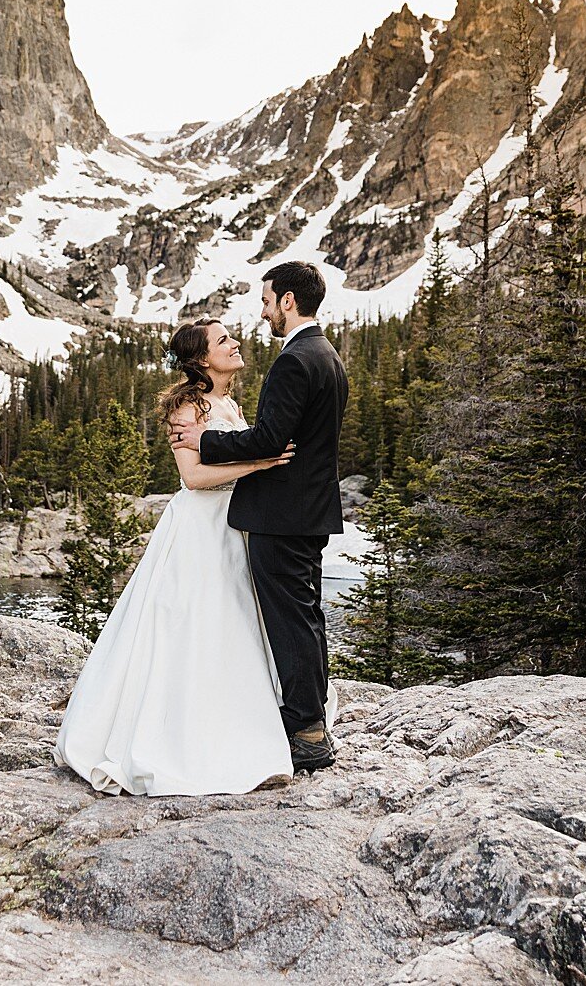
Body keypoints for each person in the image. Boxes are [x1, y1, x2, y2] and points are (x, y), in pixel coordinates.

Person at [54, 319, 297, 795]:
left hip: (236, 526)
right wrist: (261, 464)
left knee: (235, 626)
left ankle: (238, 722)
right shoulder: (188, 405)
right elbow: (194, 477)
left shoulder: (229, 402)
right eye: (223, 339)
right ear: (202, 358)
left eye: (232, 334)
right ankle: (177, 738)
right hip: (201, 528)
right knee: (192, 623)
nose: (235, 342)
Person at [171, 260, 349, 773]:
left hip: (282, 516)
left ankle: (308, 731)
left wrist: (205, 440)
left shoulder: (295, 360)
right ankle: (309, 720)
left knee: (291, 621)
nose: (264, 311)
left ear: (288, 301)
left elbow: (273, 440)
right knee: (305, 616)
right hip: (306, 513)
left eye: (267, 300)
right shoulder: (327, 355)